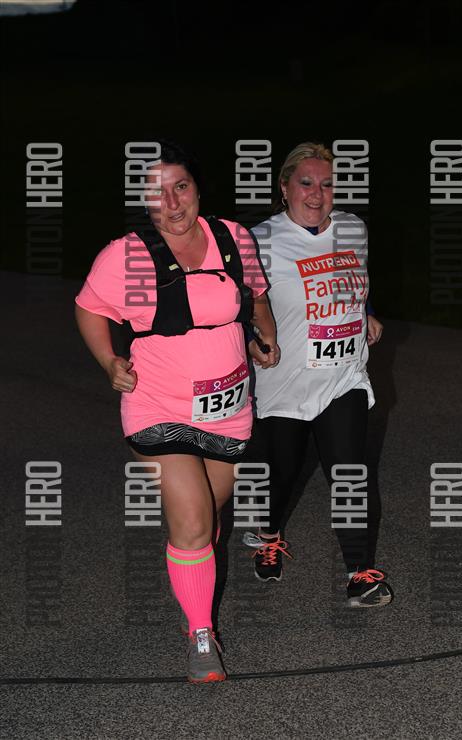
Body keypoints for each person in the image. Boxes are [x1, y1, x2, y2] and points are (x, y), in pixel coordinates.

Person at [74, 141, 277, 683]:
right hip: (157, 406)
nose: (171, 203)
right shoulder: (127, 256)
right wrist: (109, 360)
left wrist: (265, 336)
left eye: (180, 187)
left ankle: (194, 583)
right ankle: (201, 636)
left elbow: (255, 297)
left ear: (197, 188)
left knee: (207, 519)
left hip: (227, 408)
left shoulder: (232, 238)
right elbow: (89, 307)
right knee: (191, 522)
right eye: (156, 193)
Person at [245, 141, 393, 608]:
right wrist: (249, 341)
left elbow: (353, 280)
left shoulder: (353, 228)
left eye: (327, 184)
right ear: (284, 187)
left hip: (343, 376)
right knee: (282, 472)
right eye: (306, 183)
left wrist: (366, 311)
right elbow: (234, 304)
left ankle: (359, 572)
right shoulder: (259, 240)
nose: (317, 193)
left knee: (349, 471)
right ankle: (269, 533)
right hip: (284, 381)